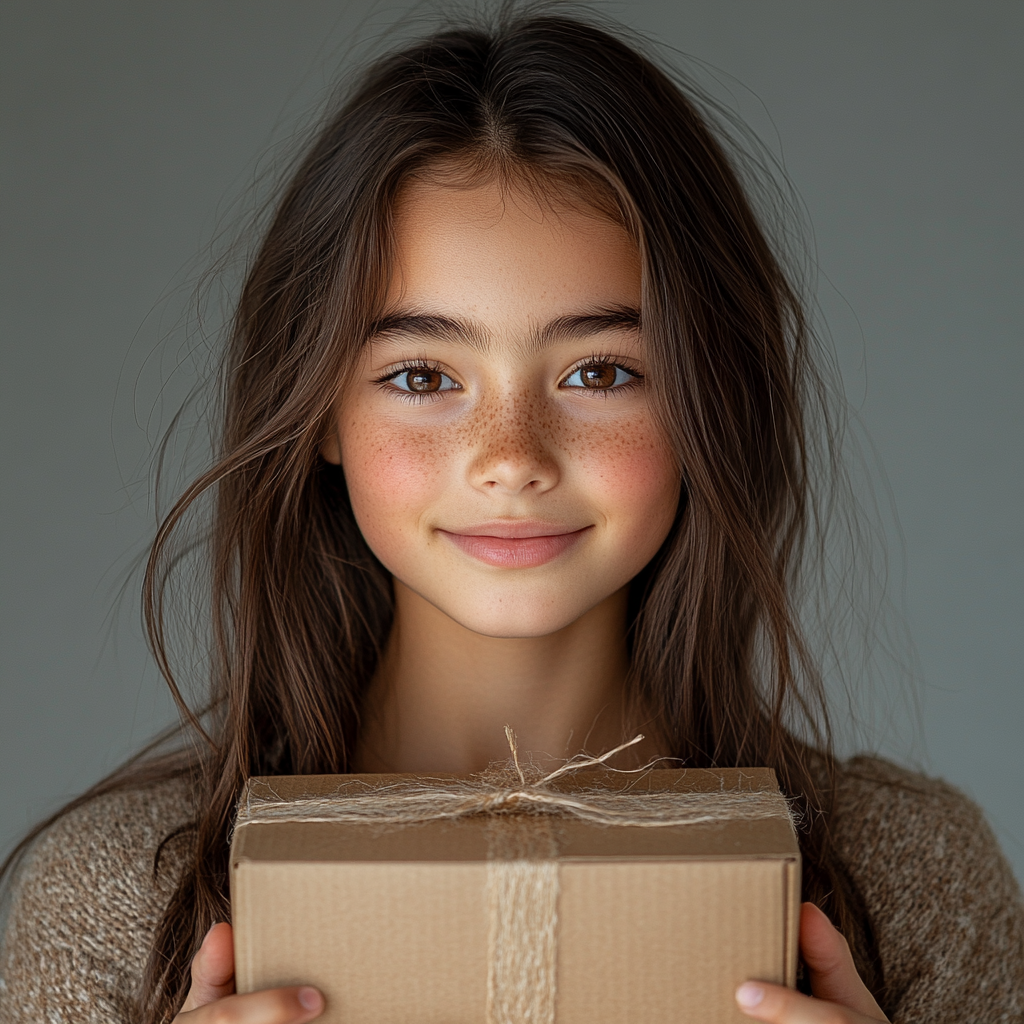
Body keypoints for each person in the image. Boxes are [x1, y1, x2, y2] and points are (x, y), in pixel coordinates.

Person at [1, 9, 1021, 1024]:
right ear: (320, 412)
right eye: (420, 374)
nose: (509, 458)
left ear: (712, 396)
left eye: (599, 371)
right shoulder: (115, 906)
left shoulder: (913, 883)